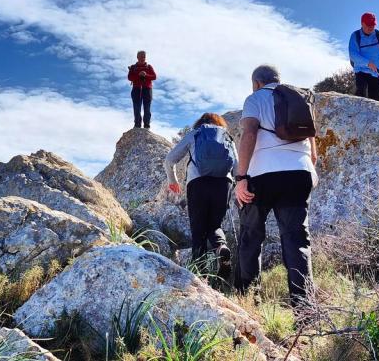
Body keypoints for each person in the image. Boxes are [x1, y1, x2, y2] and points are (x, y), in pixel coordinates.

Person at [233, 65, 318, 308]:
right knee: (297, 240)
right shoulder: (298, 100)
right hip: (299, 174)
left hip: (263, 175)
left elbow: (249, 134)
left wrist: (241, 178)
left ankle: (249, 303)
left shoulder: (255, 99)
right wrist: (309, 171)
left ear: (257, 83)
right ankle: (304, 310)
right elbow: (313, 153)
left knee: (251, 236)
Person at [164, 113, 237, 279]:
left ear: (200, 123)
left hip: (197, 184)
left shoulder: (195, 133)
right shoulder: (226, 136)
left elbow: (169, 160)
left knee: (198, 230)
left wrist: (173, 180)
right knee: (214, 225)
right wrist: (236, 184)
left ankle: (200, 275)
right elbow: (237, 166)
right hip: (222, 184)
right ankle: (221, 248)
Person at [348, 12, 379, 101]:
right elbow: (353, 54)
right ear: (362, 24)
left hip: (377, 72)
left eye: (373, 25)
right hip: (361, 71)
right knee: (360, 98)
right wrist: (368, 63)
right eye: (368, 25)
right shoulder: (355, 36)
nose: (371, 27)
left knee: (377, 101)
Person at [127, 50, 157, 128]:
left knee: (147, 108)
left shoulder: (149, 66)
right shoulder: (133, 67)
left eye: (144, 56)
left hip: (147, 89)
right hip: (136, 89)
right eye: (141, 56)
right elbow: (129, 77)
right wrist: (139, 75)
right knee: (137, 108)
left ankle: (147, 126)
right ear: (137, 57)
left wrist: (145, 75)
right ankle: (137, 125)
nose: (142, 58)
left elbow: (154, 76)